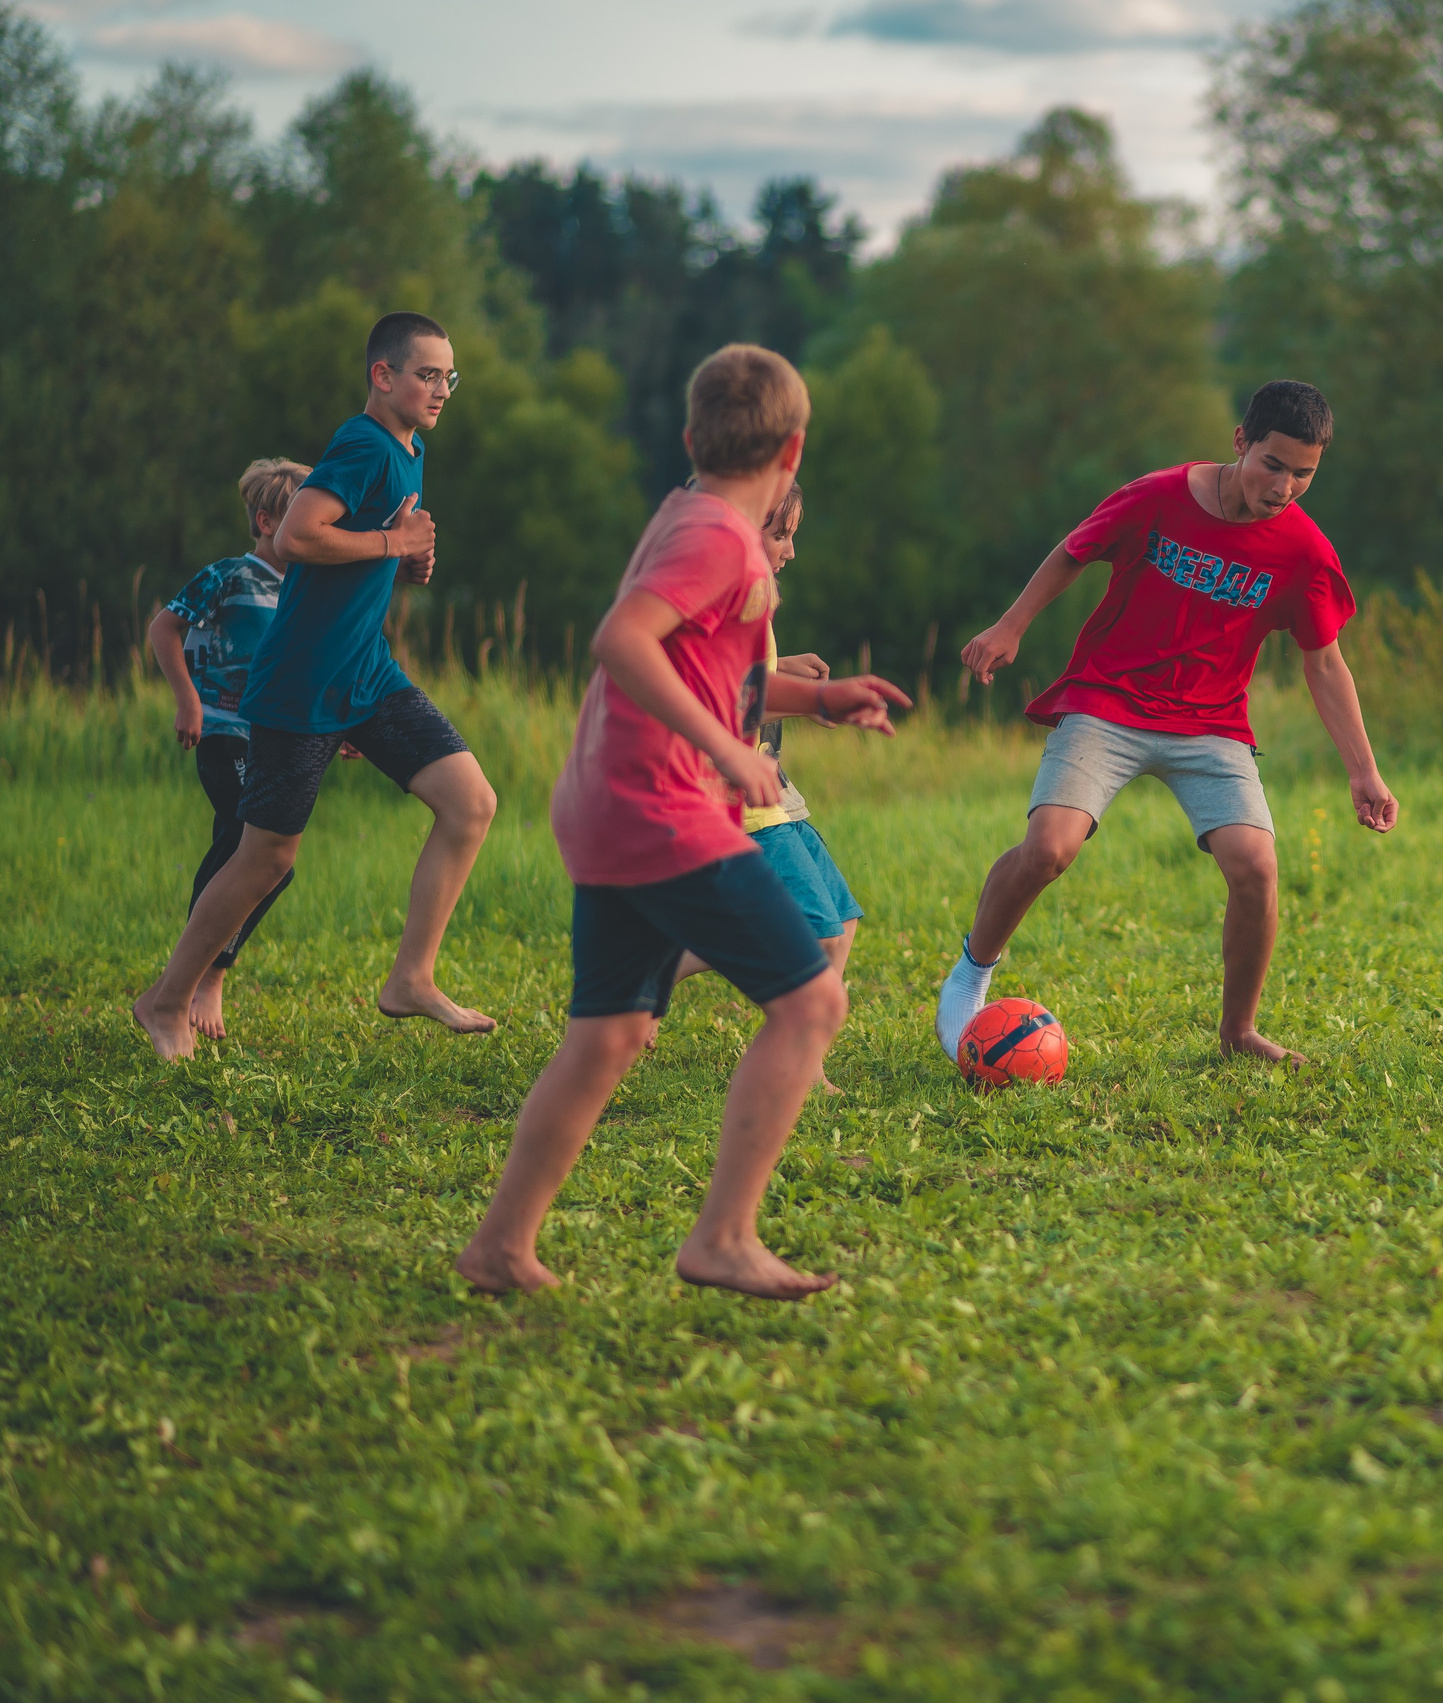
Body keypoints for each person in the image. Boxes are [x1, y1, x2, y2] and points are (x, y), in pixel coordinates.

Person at [455, 344, 908, 1300]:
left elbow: (713, 669)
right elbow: (621, 643)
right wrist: (733, 751)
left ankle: (500, 1246)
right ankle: (723, 1238)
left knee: (610, 1034)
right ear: (793, 450)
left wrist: (819, 703)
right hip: (661, 808)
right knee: (813, 1000)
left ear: (693, 437)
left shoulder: (688, 516)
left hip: (610, 803)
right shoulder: (722, 539)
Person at [938, 379, 1398, 1066]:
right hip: (1108, 701)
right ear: (1241, 442)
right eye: (1274, 464)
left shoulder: (1304, 551)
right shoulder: (1158, 496)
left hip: (1211, 723)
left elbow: (1325, 663)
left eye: (1305, 473)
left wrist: (1363, 770)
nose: (1286, 487)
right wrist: (1012, 625)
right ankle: (972, 972)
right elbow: (1075, 548)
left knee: (1257, 868)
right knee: (1049, 850)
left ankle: (1238, 1032)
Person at [132, 312, 499, 1062]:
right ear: (383, 375)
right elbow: (298, 535)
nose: (442, 389)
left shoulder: (409, 448)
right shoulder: (362, 442)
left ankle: (411, 978)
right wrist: (395, 542)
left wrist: (399, 562)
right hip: (302, 683)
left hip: (366, 672)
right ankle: (166, 999)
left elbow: (354, 546)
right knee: (267, 856)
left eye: (448, 376)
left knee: (470, 803)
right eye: (427, 374)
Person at [663, 479, 889, 1094]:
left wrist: (785, 673)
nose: (789, 550)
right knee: (811, 932)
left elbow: (750, 676)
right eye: (779, 534)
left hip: (774, 792)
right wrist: (811, 700)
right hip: (739, 801)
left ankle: (803, 1060)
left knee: (838, 923)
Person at [144, 457, 312, 1038]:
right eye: (304, 520)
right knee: (250, 847)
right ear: (267, 521)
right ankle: (199, 979)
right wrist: (187, 700)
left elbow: (310, 667)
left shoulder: (305, 591)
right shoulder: (228, 576)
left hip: (273, 743)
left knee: (262, 859)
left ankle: (197, 977)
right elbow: (163, 628)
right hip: (219, 732)